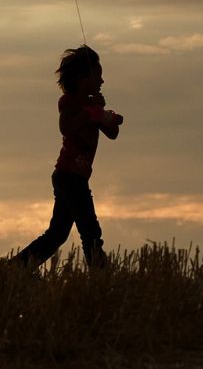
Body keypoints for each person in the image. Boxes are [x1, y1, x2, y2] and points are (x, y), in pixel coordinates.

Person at [14, 46, 123, 269]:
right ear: (82, 78)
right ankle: (101, 273)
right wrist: (92, 113)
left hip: (75, 177)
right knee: (90, 229)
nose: (102, 81)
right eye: (98, 75)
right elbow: (67, 128)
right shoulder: (69, 102)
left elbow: (112, 133)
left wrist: (102, 114)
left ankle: (15, 268)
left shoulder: (91, 106)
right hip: (68, 176)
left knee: (57, 234)